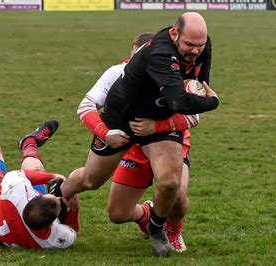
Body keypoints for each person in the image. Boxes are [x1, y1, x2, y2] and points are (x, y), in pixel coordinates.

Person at [52, 12, 219, 257]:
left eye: (199, 45)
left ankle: (157, 226)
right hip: (122, 121)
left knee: (172, 183)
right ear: (174, 34)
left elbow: (196, 93)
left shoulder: (199, 47)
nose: (195, 50)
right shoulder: (156, 56)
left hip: (158, 123)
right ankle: (59, 193)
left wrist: (159, 127)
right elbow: (180, 100)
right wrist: (105, 133)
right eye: (189, 45)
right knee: (92, 181)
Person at [77, 32, 205, 253]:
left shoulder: (174, 73)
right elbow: (86, 105)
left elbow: (195, 116)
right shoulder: (118, 73)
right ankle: (147, 214)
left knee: (177, 194)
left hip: (169, 139)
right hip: (133, 146)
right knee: (117, 214)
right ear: (133, 52)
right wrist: (106, 132)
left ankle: (172, 230)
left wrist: (158, 127)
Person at [0, 71, 80, 249]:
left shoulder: (15, 192)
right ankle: (30, 143)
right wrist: (74, 210)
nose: (59, 199)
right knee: (37, 169)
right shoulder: (53, 239)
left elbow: (21, 175)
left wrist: (53, 177)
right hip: (7, 219)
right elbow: (73, 231)